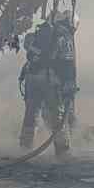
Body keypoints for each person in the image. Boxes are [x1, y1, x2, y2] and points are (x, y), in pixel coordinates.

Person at [18, 11, 78, 158]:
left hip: (31, 79)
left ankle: (24, 149)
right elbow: (68, 62)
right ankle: (63, 153)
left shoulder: (41, 31)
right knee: (57, 117)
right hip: (49, 80)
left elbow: (28, 47)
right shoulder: (64, 36)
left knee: (31, 114)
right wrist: (69, 85)